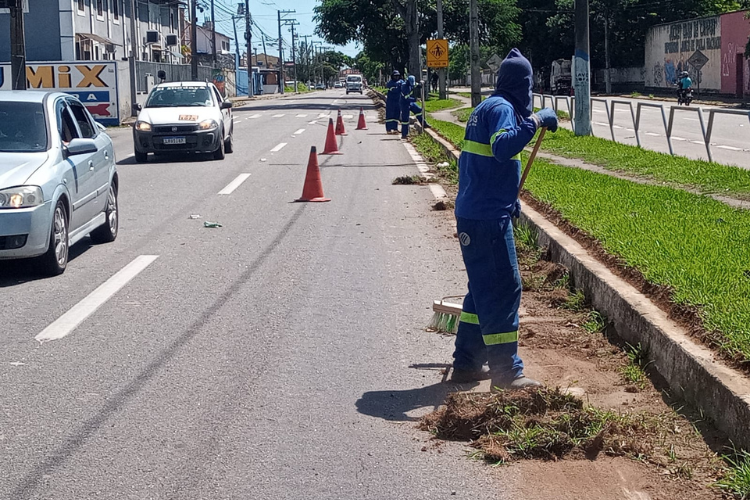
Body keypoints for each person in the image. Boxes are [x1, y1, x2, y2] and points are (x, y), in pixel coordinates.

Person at [450, 48, 558, 389]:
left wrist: (505, 197)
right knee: (504, 288)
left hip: (475, 212)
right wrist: (537, 120)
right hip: (486, 220)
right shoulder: (502, 109)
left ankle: (466, 362)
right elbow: (502, 147)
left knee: (481, 288)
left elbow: (477, 165)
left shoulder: (484, 108)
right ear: (521, 84)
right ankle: (506, 373)